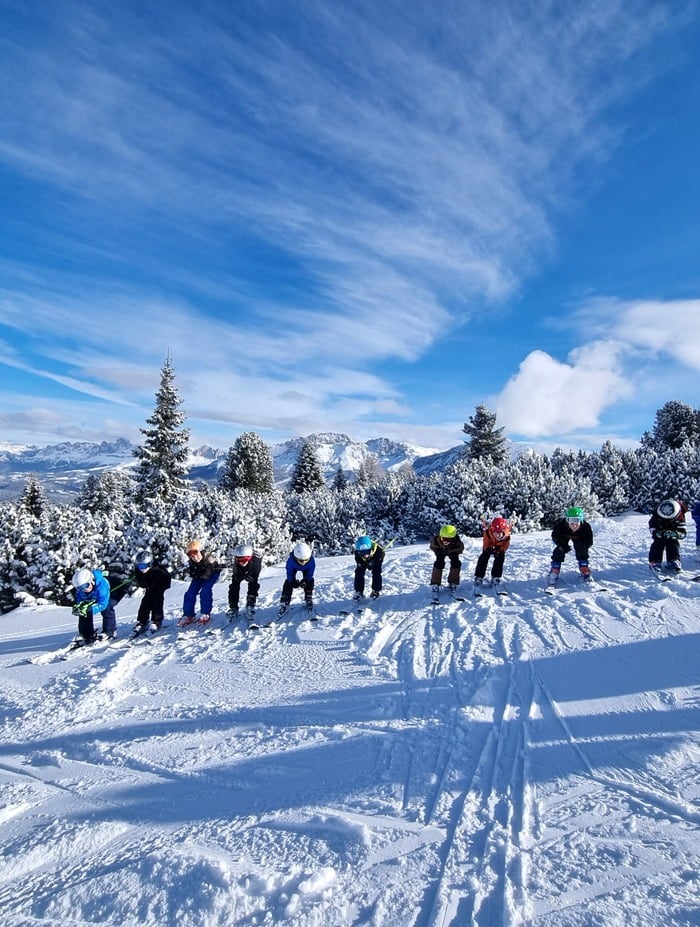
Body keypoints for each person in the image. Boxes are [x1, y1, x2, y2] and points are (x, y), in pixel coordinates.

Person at [548, 506, 594, 586]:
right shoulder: (561, 526)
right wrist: (561, 545)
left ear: (581, 520)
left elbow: (589, 540)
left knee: (581, 548)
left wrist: (584, 546)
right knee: (559, 550)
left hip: (580, 537)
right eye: (571, 521)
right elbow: (555, 536)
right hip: (564, 536)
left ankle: (584, 568)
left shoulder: (585, 527)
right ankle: (555, 569)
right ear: (567, 520)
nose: (574, 525)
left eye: (576, 521)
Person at [180, 539, 223, 626]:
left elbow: (208, 572)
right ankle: (188, 615)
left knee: (205, 591)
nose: (194, 557)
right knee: (190, 593)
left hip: (212, 574)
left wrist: (197, 571)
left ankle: (205, 613)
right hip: (200, 575)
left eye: (195, 553)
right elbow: (192, 573)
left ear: (200, 551)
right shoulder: (192, 562)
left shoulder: (209, 558)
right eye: (190, 555)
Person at [71, 567, 118, 644]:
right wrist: (79, 608)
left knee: (107, 609)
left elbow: (103, 604)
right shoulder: (81, 591)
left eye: (85, 585)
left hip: (110, 594)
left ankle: (110, 631)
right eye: (79, 587)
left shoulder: (101, 585)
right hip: (94, 597)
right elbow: (80, 601)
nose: (83, 589)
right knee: (84, 611)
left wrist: (91, 609)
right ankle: (86, 633)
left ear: (91, 581)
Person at [131, 549, 172, 635]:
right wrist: (143, 582)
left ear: (149, 564)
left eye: (143, 566)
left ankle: (157, 621)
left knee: (156, 602)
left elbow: (166, 580)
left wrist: (158, 586)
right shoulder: (139, 571)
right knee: (145, 603)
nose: (141, 569)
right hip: (150, 588)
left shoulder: (158, 571)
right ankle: (142, 621)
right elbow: (142, 583)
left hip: (159, 588)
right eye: (139, 566)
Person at [648, 499, 687, 573]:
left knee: (673, 542)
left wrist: (677, 534)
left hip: (673, 531)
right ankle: (654, 561)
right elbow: (652, 525)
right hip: (660, 530)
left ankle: (674, 560)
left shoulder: (680, 515)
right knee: (658, 543)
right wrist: (656, 533)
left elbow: (683, 531)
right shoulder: (656, 514)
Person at [474, 517, 512, 590]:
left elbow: (506, 545)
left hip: (499, 547)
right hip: (490, 545)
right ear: (492, 530)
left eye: (499, 533)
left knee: (500, 557)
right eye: (495, 533)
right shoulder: (488, 533)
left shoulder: (506, 536)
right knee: (483, 557)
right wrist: (488, 549)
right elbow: (486, 543)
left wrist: (501, 550)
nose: (497, 535)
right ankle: (479, 577)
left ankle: (496, 576)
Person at [278, 541, 315, 616]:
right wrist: (293, 582)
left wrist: (305, 581)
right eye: (301, 560)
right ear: (296, 557)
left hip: (307, 569)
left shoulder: (311, 562)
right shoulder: (291, 562)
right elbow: (290, 574)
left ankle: (308, 597)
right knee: (288, 582)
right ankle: (285, 601)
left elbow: (309, 575)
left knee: (310, 581)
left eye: (306, 560)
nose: (303, 562)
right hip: (294, 567)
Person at [227, 543, 262, 621]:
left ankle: (250, 605)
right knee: (234, 586)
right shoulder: (237, 563)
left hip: (251, 570)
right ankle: (233, 607)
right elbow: (235, 574)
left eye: (244, 560)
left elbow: (254, 577)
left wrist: (249, 577)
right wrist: (239, 576)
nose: (241, 562)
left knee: (253, 585)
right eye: (239, 560)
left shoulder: (256, 562)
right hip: (240, 571)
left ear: (249, 558)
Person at [430, 524, 464, 596]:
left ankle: (453, 582)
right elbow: (432, 546)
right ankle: (435, 584)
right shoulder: (436, 541)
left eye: (448, 539)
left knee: (456, 563)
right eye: (443, 539)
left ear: (453, 538)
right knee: (439, 563)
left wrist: (454, 552)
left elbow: (460, 549)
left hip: (452, 550)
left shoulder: (457, 542)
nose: (445, 541)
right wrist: (438, 551)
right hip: (440, 550)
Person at [352, 536, 385, 602]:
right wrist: (363, 564)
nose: (365, 555)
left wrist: (373, 563)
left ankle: (376, 590)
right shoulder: (357, 553)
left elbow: (379, 560)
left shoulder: (379, 552)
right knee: (359, 572)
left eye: (366, 552)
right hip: (364, 562)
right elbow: (358, 561)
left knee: (376, 571)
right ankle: (359, 591)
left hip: (375, 559)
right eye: (361, 553)